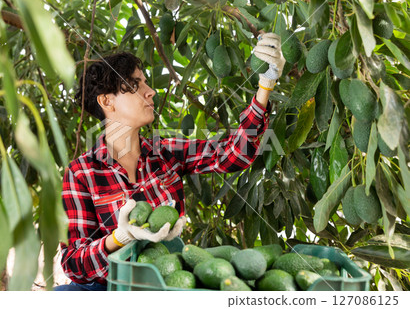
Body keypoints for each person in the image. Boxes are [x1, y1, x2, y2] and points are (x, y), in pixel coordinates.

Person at [55, 33, 285, 291]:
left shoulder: (164, 152)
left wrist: (265, 84)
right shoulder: (81, 173)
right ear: (106, 101)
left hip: (166, 280)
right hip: (109, 288)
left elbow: (233, 153)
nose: (150, 91)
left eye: (145, 83)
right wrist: (120, 237)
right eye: (135, 85)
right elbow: (74, 263)